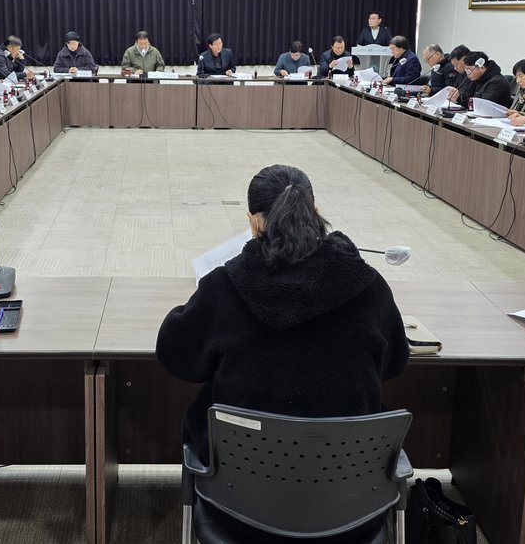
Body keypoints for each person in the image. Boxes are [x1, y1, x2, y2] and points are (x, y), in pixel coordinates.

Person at [156, 164, 409, 471]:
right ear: (315, 213)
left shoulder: (225, 285)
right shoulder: (368, 284)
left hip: (241, 474)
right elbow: (394, 362)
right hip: (348, 474)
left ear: (254, 223)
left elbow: (177, 356)